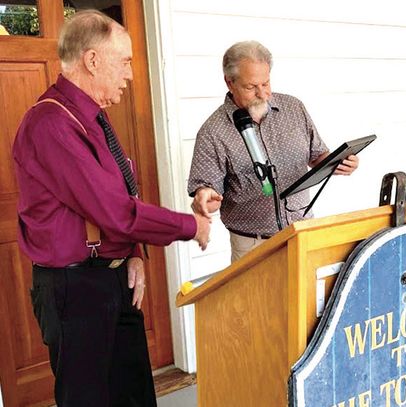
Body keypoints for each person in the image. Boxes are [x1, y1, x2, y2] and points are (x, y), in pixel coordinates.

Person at [12, 10, 210, 407]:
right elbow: (113, 210)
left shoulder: (94, 118)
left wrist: (133, 253)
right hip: (76, 289)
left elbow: (120, 188)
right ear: (92, 60)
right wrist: (191, 225)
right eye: (125, 62)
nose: (130, 74)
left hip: (111, 279)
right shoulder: (52, 124)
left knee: (134, 395)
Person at [188, 40, 359, 261]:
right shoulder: (213, 131)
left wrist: (341, 161)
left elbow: (317, 156)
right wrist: (205, 197)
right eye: (251, 87)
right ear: (229, 82)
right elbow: (209, 194)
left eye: (266, 83)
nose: (262, 93)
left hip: (303, 231)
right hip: (252, 245)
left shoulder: (294, 108)